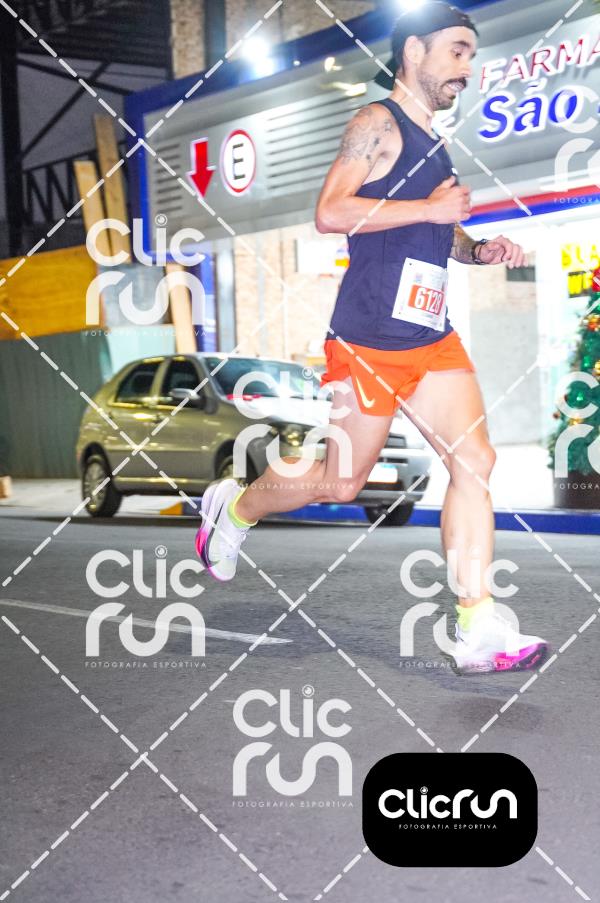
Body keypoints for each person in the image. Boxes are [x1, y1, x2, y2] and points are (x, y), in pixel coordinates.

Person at [195, 0, 548, 674]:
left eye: (471, 55)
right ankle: (233, 507)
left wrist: (477, 250)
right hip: (369, 339)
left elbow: (436, 231)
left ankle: (475, 624)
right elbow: (331, 212)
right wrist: (430, 208)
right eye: (456, 52)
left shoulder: (434, 141)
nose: (466, 68)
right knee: (340, 481)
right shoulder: (375, 123)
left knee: (474, 461)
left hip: (431, 334)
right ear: (414, 51)